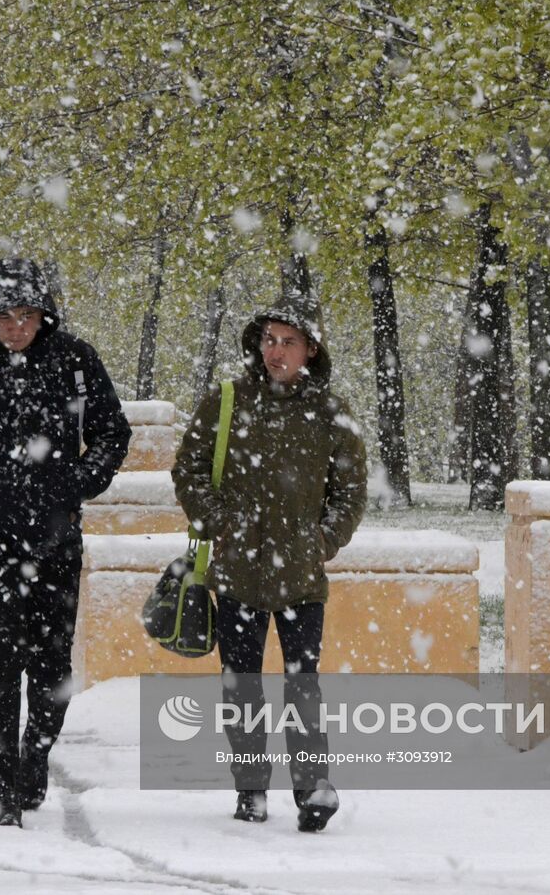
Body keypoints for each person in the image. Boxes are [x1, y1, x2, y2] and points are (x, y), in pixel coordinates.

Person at [0, 258, 132, 827]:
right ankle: (2, 787)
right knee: (1, 659)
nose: (16, 327)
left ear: (44, 315)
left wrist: (78, 483)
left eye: (27, 315)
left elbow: (113, 431)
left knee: (54, 663)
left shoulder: (74, 361)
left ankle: (35, 757)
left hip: (56, 536)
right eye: (5, 316)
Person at [172, 290, 367, 832]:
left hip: (302, 576)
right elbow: (187, 469)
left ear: (310, 350)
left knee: (304, 684)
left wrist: (322, 541)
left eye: (289, 342)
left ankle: (312, 788)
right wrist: (220, 524)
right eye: (269, 340)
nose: (276, 352)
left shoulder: (331, 412)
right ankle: (251, 789)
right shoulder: (226, 400)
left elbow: (351, 494)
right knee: (243, 685)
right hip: (238, 572)